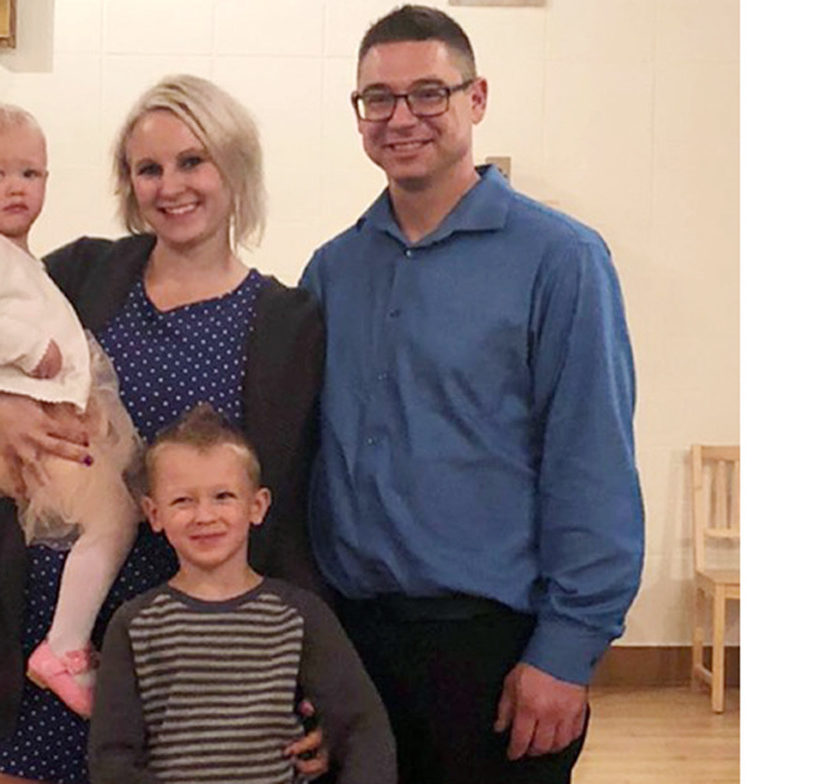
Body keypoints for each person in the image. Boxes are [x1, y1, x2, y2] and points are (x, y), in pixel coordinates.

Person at [0, 75, 328, 784]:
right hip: (44, 634)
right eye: (149, 168)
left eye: (192, 161)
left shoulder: (287, 322)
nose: (171, 186)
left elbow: (292, 505)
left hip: (191, 647)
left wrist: (313, 673)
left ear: (234, 167)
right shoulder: (82, 274)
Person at [298, 6, 645, 784]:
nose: (402, 118)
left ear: (476, 98)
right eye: (377, 99)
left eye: (429, 93)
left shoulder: (561, 261)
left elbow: (591, 465)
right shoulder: (332, 271)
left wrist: (566, 651)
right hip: (355, 642)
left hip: (493, 646)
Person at [0, 104, 143, 718]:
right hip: (30, 436)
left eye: (31, 174)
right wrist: (28, 355)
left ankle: (67, 643)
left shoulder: (26, 263)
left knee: (110, 521)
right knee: (114, 520)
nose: (17, 187)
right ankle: (64, 647)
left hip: (54, 430)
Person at [89, 403, 394, 784]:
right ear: (154, 513)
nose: (204, 516)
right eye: (183, 500)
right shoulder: (134, 625)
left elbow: (363, 728)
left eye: (223, 497)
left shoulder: (299, 615)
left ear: (257, 505)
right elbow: (113, 759)